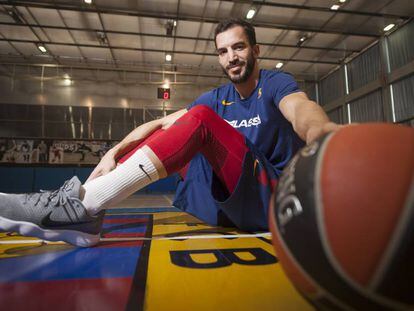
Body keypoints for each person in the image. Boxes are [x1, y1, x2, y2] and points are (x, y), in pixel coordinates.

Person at [0, 19, 339, 247]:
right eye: (223, 51)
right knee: (182, 128)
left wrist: (323, 133)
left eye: (239, 48)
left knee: (200, 120)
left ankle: (81, 207)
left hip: (274, 196)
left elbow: (301, 110)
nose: (231, 58)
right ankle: (85, 208)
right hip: (232, 202)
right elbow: (160, 126)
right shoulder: (217, 98)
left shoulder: (275, 83)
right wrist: (112, 152)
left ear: (256, 50)